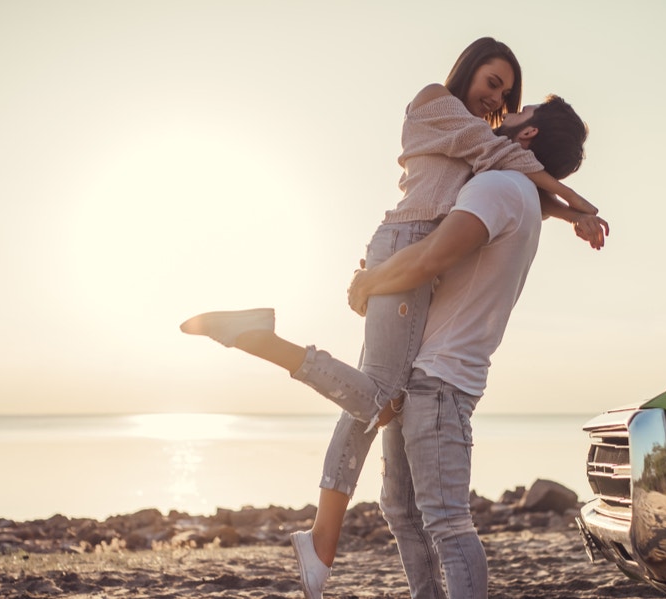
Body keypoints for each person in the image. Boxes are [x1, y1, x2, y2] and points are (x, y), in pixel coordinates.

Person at [181, 93, 592, 598]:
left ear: (528, 135)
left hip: (442, 381)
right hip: (429, 371)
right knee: (402, 510)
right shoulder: (518, 193)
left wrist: (369, 282)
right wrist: (577, 213)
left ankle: (260, 339)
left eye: (521, 111)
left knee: (448, 521)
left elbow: (428, 259)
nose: (508, 111)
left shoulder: (498, 187)